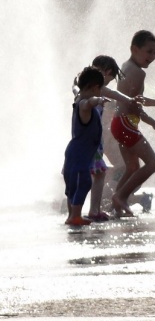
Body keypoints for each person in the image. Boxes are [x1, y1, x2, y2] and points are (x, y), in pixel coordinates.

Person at [72, 56, 144, 222]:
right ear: (106, 72)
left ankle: (78, 208)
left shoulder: (81, 90)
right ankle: (93, 209)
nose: (107, 84)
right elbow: (113, 93)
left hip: (84, 140)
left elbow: (76, 89)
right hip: (92, 141)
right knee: (98, 174)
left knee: (93, 173)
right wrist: (129, 100)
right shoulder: (97, 91)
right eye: (110, 78)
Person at [110, 30, 155, 216]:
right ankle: (120, 197)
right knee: (153, 163)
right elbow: (135, 103)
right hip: (126, 123)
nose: (152, 57)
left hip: (118, 123)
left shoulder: (126, 67)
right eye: (148, 51)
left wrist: (153, 121)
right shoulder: (137, 73)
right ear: (134, 49)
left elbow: (132, 101)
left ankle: (115, 206)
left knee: (132, 168)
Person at [63, 67, 110, 225]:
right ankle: (75, 215)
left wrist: (75, 85)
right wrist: (98, 101)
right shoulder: (84, 103)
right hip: (80, 153)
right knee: (83, 182)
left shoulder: (78, 96)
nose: (100, 93)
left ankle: (71, 216)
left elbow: (76, 89)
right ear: (95, 87)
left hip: (76, 152)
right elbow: (89, 103)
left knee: (74, 185)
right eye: (99, 89)